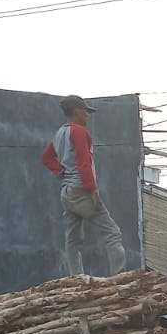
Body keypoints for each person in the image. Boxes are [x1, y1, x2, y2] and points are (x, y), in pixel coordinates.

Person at [41, 94, 127, 278]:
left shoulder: (59, 134)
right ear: (77, 112)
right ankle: (119, 278)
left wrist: (61, 171)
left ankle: (76, 278)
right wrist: (94, 191)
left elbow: (46, 157)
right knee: (112, 232)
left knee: (72, 240)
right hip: (82, 191)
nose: (88, 115)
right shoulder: (79, 132)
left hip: (67, 193)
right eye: (86, 112)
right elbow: (84, 163)